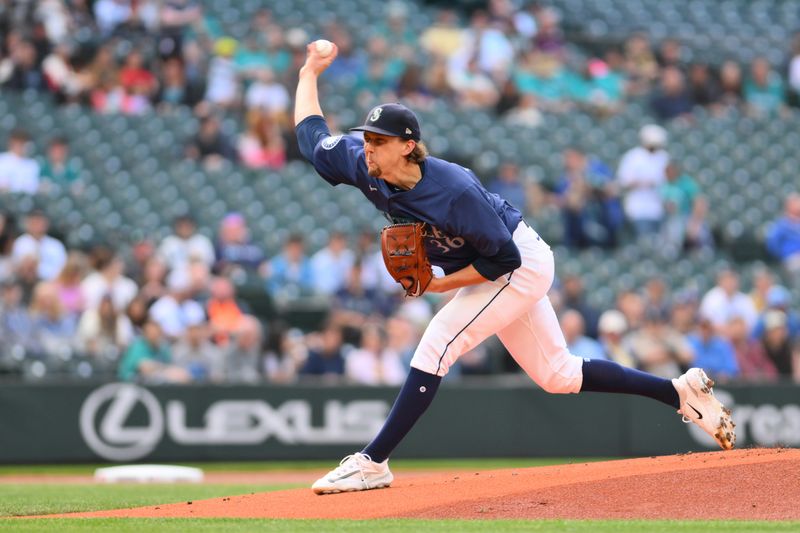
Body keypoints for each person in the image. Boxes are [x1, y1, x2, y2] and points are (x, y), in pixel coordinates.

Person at [293, 41, 735, 495]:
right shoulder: (364, 165)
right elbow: (310, 137)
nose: (368, 148)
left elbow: (506, 260)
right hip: (497, 264)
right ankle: (680, 392)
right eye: (366, 138)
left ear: (408, 146)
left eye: (379, 141)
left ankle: (373, 461)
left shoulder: (454, 190)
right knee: (558, 374)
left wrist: (441, 284)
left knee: (436, 344)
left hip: (518, 263)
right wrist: (310, 72)